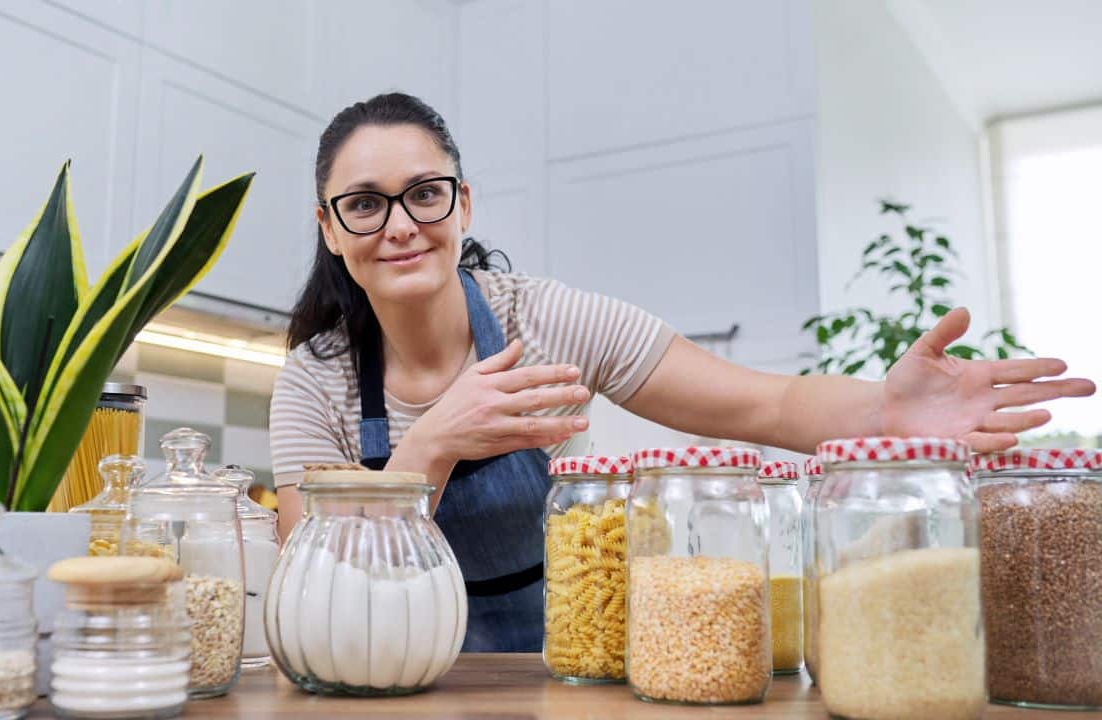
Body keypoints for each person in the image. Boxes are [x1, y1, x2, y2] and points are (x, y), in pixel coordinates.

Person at [269, 92, 1094, 652]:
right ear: (330, 227)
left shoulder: (540, 320)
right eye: (365, 203)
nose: (401, 225)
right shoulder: (314, 380)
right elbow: (312, 584)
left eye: (426, 193)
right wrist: (434, 445)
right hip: (390, 678)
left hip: (564, 664)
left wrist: (886, 411)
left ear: (465, 204)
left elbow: (768, 406)